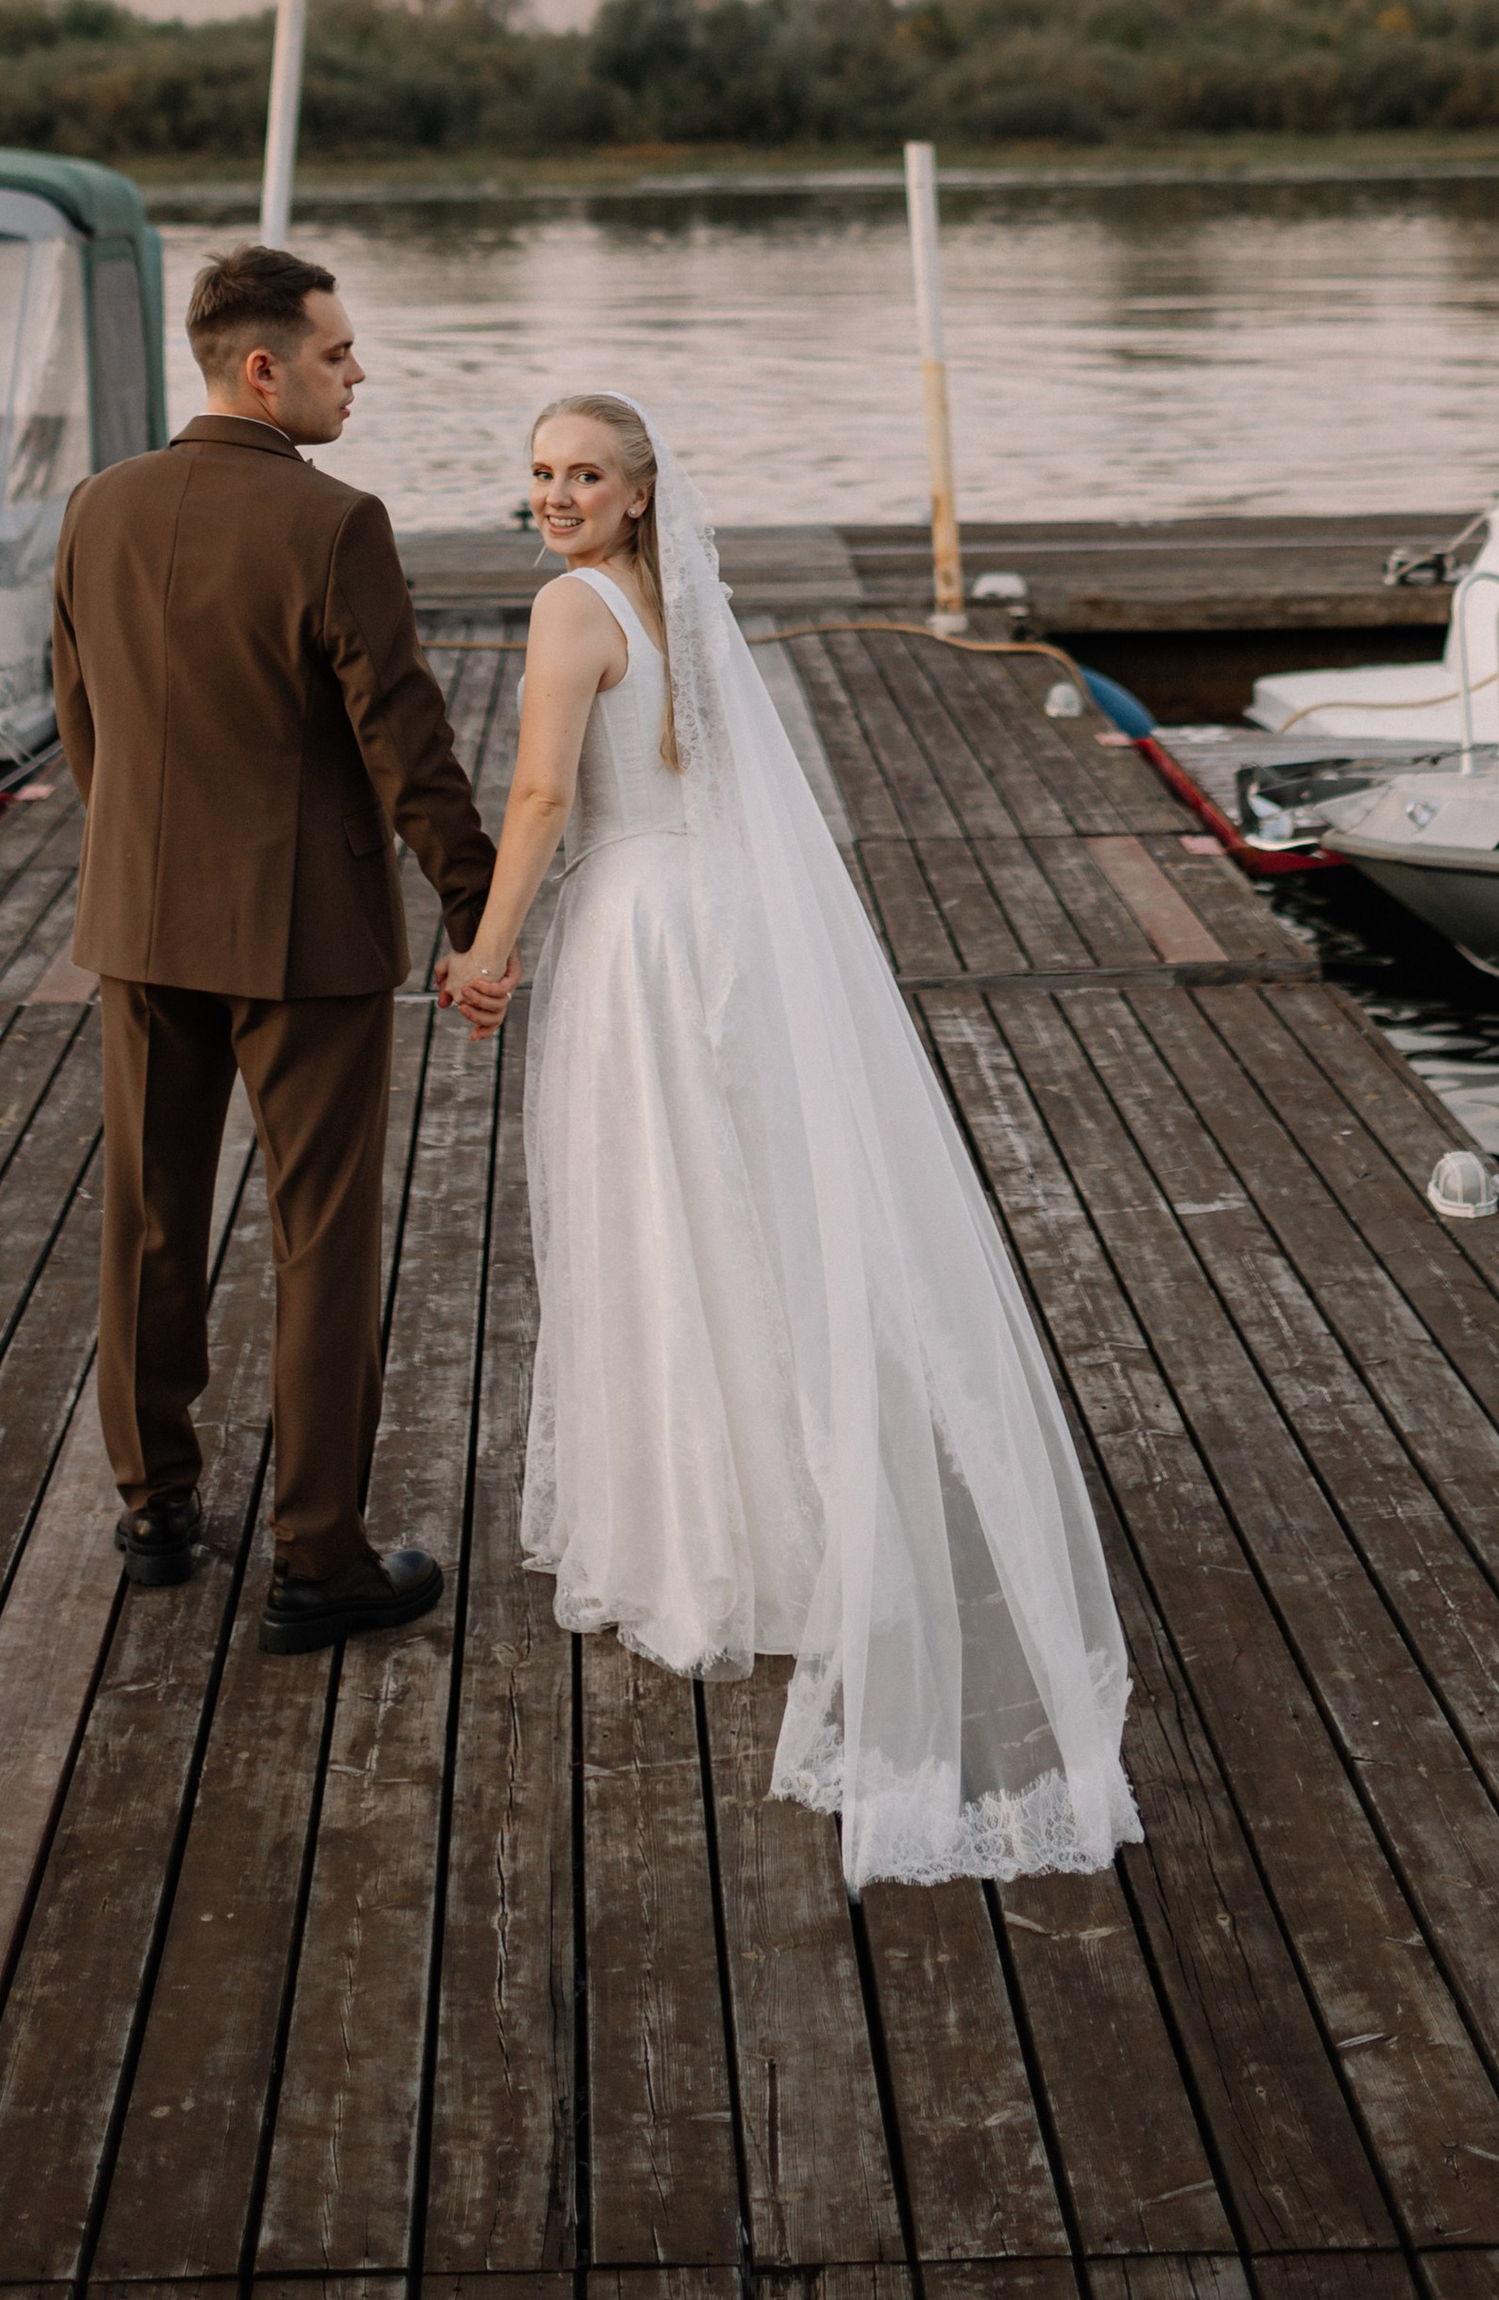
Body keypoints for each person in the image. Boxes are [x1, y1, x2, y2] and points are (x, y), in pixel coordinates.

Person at [443, 394, 1140, 1890]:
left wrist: (488, 951)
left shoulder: (570, 609)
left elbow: (545, 792)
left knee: (656, 1218)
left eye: (584, 475)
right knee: (730, 1211)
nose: (555, 496)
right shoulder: (677, 603)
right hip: (717, 920)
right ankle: (780, 1520)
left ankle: (698, 1541)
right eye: (542, 473)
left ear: (638, 492)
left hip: (636, 933)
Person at [52, 242, 506, 1654]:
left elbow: (82, 721)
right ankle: (318, 1557)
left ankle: (156, 1512)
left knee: (150, 1216)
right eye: (336, 351)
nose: (358, 372)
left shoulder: (96, 507)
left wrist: (138, 863)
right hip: (304, 937)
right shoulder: (334, 523)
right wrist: (479, 911)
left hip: (141, 921)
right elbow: (408, 745)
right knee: (320, 1238)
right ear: (264, 368)